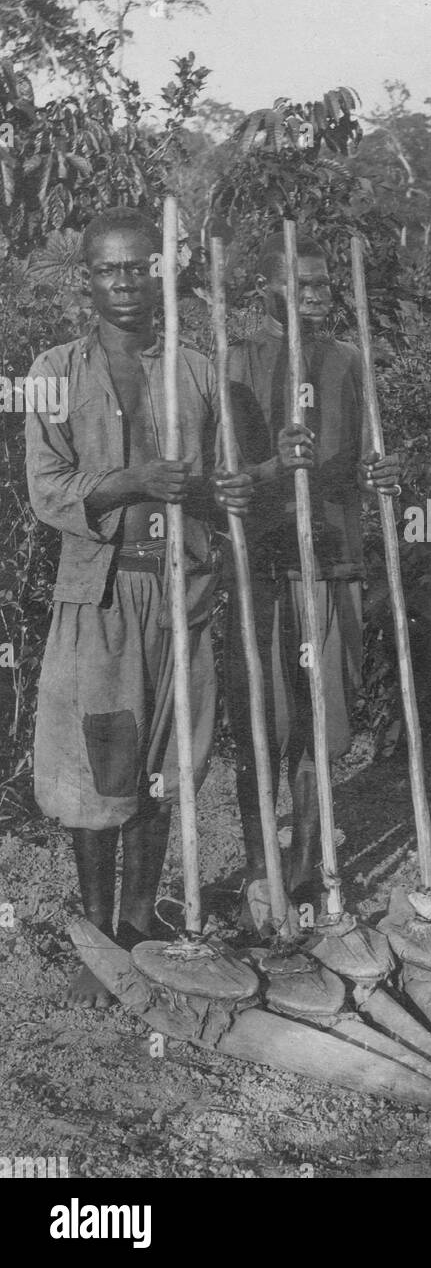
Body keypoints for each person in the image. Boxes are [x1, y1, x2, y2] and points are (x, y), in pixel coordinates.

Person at [26, 206, 251, 1008]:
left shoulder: (196, 371)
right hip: (100, 593)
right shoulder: (53, 368)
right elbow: (47, 491)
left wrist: (230, 492)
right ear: (86, 279)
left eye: (138, 267)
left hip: (179, 592)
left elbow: (229, 487)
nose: (124, 282)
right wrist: (129, 482)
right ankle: (95, 935)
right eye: (108, 269)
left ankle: (137, 920)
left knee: (166, 762)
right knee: (100, 755)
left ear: (162, 271)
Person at [224, 227, 399, 930]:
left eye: (327, 284)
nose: (319, 295)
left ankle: (306, 875)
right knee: (264, 724)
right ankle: (259, 875)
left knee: (323, 732)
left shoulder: (349, 361)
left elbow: (364, 459)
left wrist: (382, 474)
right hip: (264, 568)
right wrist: (272, 469)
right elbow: (220, 479)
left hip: (333, 567)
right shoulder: (233, 362)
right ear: (269, 290)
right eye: (303, 285)